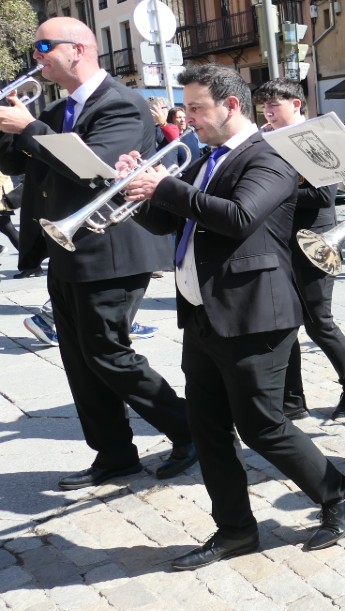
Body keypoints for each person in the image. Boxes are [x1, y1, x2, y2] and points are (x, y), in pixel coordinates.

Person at [119, 64, 345, 570]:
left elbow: (239, 217)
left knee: (262, 426)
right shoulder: (204, 159)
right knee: (207, 428)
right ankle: (234, 530)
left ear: (231, 106)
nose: (188, 118)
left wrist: (166, 186)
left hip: (255, 313)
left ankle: (338, 491)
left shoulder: (269, 155)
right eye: (185, 108)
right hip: (202, 311)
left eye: (196, 108)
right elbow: (166, 220)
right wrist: (135, 188)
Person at [0, 17, 194, 488]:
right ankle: (114, 455)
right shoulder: (58, 109)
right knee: (79, 360)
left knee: (108, 353)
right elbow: (14, 160)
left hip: (112, 248)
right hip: (67, 245)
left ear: (80, 49)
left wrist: (29, 128)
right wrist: (9, 128)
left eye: (45, 45)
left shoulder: (121, 104)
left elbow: (93, 169)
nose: (36, 55)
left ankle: (192, 431)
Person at [255, 78, 345, 423]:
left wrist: (271, 192)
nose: (268, 111)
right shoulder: (266, 139)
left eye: (275, 104)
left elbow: (323, 196)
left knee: (318, 322)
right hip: (279, 239)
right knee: (285, 323)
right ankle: (292, 399)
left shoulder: (312, 138)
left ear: (296, 104)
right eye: (265, 105)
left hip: (314, 241)